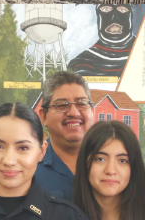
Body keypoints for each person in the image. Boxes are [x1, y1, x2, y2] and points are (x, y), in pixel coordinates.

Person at [32, 70, 97, 199]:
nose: (74, 113)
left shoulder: (112, 163)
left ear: (93, 112)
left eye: (81, 103)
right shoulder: (28, 166)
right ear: (44, 116)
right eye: (62, 105)